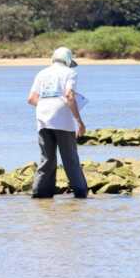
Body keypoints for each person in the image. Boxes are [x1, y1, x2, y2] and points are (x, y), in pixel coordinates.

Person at [27, 47, 89, 199]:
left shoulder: (42, 73)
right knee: (70, 158)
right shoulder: (70, 73)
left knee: (46, 158)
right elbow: (69, 96)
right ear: (68, 61)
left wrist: (47, 105)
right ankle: (81, 193)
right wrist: (79, 122)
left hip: (42, 118)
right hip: (62, 119)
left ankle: (40, 193)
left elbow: (31, 99)